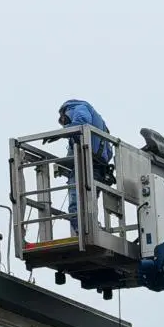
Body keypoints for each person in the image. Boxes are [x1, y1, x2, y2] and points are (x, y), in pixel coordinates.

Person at [44, 99, 113, 235]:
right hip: (98, 166)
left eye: (64, 122)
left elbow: (81, 122)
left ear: (64, 114)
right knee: (89, 203)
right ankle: (91, 229)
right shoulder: (95, 120)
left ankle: (83, 231)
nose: (66, 125)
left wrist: (60, 133)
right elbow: (108, 152)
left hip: (88, 164)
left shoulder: (77, 108)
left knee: (77, 204)